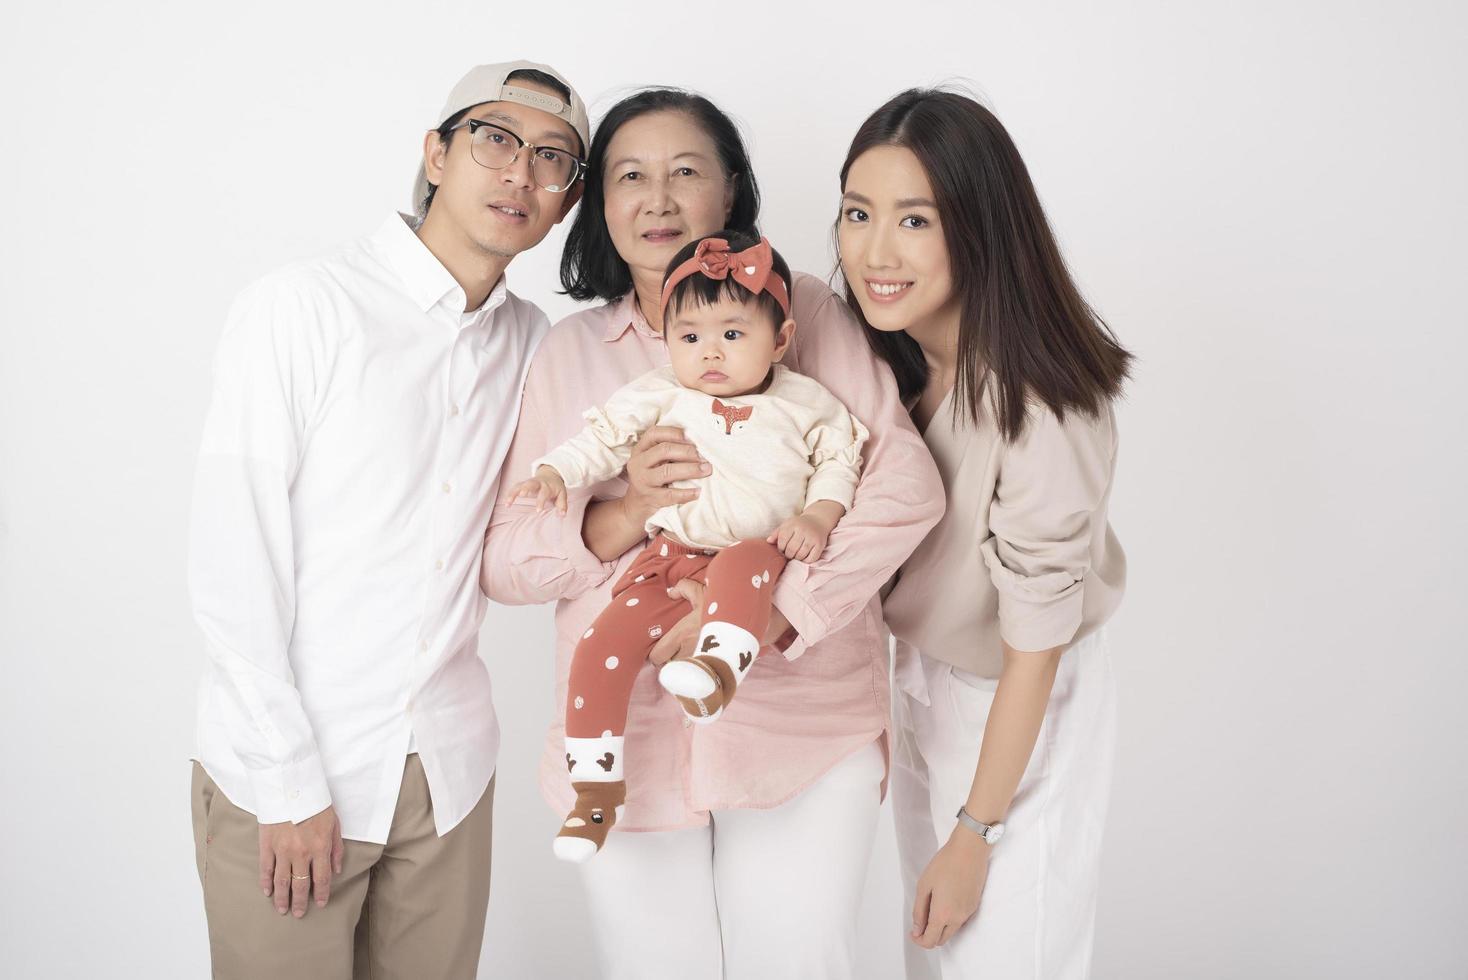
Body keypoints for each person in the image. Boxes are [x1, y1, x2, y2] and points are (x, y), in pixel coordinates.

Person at [480, 88, 944, 979]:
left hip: (801, 726)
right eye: (630, 176)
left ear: (729, 193)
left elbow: (902, 487)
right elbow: (505, 559)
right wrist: (621, 514)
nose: (657, 199)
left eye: (685, 172)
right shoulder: (570, 351)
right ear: (598, 204)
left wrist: (777, 610)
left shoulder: (803, 313)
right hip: (629, 737)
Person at [186, 60, 588, 978]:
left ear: (567, 201)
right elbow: (232, 563)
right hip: (288, 770)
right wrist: (286, 782)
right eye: (495, 138)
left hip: (445, 776)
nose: (520, 173)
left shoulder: (535, 347)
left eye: (554, 159)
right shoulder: (301, 309)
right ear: (436, 154)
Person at [835, 88, 1133, 979]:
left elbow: (1034, 648)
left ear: (981, 228)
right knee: (934, 954)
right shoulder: (893, 360)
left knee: (1009, 957)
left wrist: (976, 831)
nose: (875, 252)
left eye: (915, 220)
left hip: (1018, 692)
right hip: (923, 676)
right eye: (857, 212)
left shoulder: (1038, 402)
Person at [505, 231, 868, 860]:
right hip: (666, 556)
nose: (710, 354)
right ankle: (594, 793)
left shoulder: (806, 401)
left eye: (733, 334)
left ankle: (717, 669)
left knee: (750, 561)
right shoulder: (662, 392)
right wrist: (555, 472)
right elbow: (604, 439)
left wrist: (818, 515)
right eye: (690, 337)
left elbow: (841, 460)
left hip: (757, 555)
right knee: (602, 645)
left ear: (779, 340)